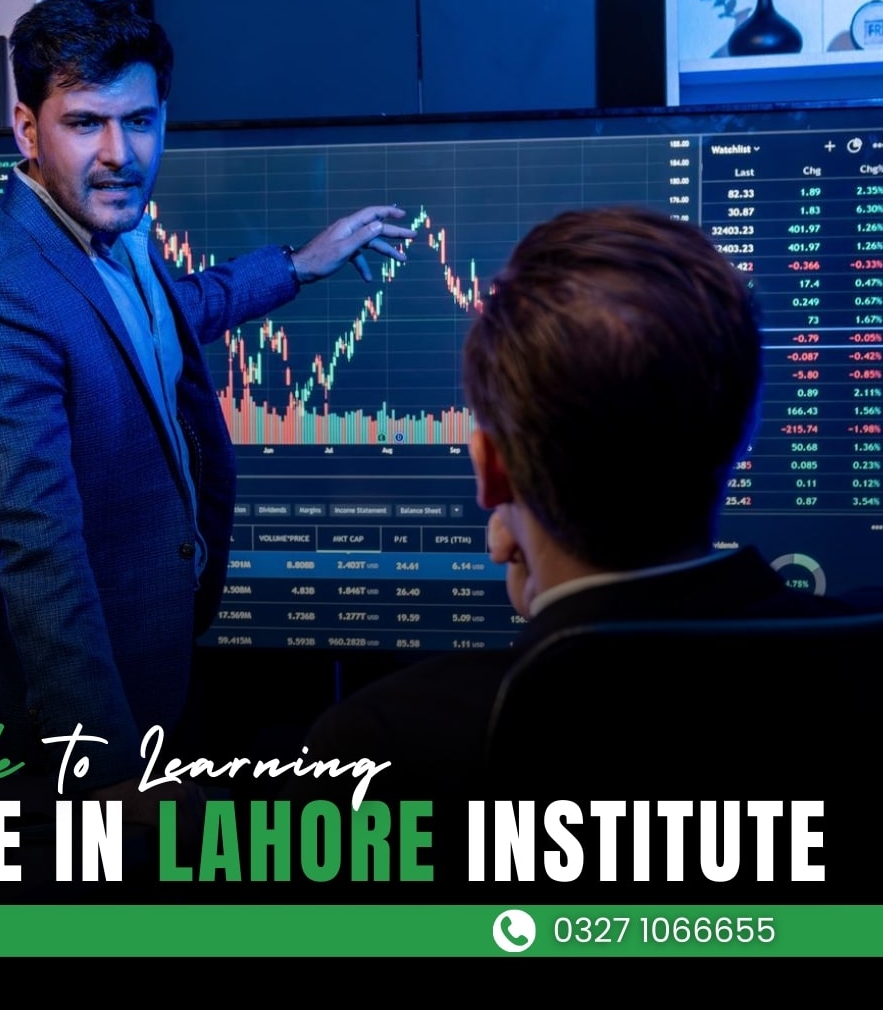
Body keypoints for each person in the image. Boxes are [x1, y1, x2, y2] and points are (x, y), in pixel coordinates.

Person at [0, 0, 413, 823]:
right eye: (85, 124)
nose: (121, 154)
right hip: (82, 732)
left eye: (140, 121)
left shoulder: (107, 238)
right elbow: (38, 552)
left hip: (157, 667)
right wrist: (107, 769)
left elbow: (164, 317)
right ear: (25, 129)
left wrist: (300, 265)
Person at [289, 205, 875, 809]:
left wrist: (548, 592)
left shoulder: (382, 748)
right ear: (746, 436)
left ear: (490, 471)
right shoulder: (861, 672)